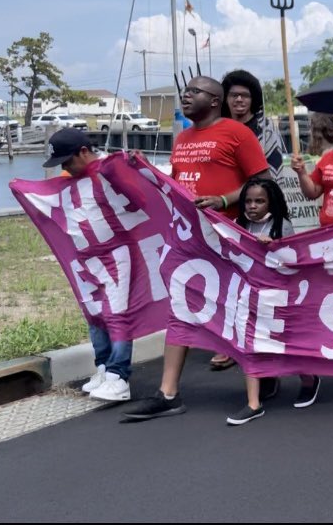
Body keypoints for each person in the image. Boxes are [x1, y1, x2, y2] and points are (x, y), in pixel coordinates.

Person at [121, 75, 271, 422]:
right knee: (180, 307)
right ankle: (168, 393)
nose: (185, 97)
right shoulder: (184, 137)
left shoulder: (237, 134)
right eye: (184, 91)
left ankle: (256, 395)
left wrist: (223, 199)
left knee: (239, 312)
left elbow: (262, 180)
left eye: (193, 92)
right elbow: (176, 185)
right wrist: (142, 172)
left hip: (228, 237)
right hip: (188, 238)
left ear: (215, 100)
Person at [44, 129, 134, 402]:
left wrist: (124, 169)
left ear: (84, 152)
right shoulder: (75, 179)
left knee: (116, 312)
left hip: (113, 253)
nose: (64, 168)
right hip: (87, 258)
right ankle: (105, 367)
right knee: (94, 314)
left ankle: (120, 376)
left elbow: (138, 202)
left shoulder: (109, 171)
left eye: (67, 162)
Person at [227, 178, 321, 425]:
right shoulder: (238, 225)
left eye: (259, 201)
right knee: (249, 347)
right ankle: (253, 403)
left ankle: (309, 378)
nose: (252, 206)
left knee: (286, 345)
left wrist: (274, 248)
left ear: (271, 202)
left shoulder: (282, 225)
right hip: (249, 297)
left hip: (278, 298)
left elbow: (292, 262)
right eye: (248, 201)